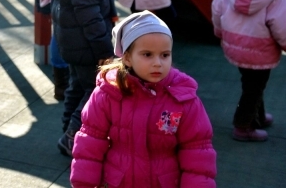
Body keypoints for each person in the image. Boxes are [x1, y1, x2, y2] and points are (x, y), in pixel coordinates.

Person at [70, 11, 217, 187]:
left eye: (165, 55)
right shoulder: (108, 93)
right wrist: (84, 183)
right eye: (147, 54)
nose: (158, 63)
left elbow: (197, 151)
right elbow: (90, 142)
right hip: (118, 182)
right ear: (127, 58)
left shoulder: (183, 98)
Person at [43, 0, 116, 157]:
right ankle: (71, 135)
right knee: (94, 90)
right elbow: (90, 17)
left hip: (72, 43)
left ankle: (67, 127)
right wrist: (105, 52)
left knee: (76, 86)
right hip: (86, 44)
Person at [211, 0, 286, 142]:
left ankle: (258, 116)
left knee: (251, 82)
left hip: (235, 45)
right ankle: (243, 126)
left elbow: (217, 10)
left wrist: (219, 31)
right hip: (262, 50)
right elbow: (282, 25)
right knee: (254, 86)